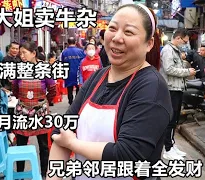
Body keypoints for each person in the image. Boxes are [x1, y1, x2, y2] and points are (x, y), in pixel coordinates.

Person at [47, 4, 173, 180]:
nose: (117, 38)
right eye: (112, 28)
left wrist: (73, 143)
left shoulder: (151, 86)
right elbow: (61, 131)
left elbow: (128, 154)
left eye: (129, 32)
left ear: (149, 43)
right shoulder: (97, 77)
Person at [12, 41, 56, 179]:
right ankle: (20, 175)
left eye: (24, 52)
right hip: (22, 112)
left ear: (34, 53)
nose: (22, 56)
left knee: (43, 144)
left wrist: (43, 101)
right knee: (21, 144)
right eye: (20, 53)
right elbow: (15, 89)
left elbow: (53, 89)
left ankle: (44, 174)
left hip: (40, 111)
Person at [160, 29, 196, 160]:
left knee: (174, 119)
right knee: (171, 118)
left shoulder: (176, 50)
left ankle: (171, 144)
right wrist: (187, 72)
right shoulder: (168, 50)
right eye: (185, 41)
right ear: (179, 38)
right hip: (171, 89)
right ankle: (167, 149)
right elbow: (168, 69)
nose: (185, 44)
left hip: (177, 88)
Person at [61, 37, 86, 105]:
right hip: (78, 73)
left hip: (69, 73)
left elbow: (62, 63)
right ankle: (77, 102)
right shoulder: (80, 51)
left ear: (68, 43)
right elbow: (84, 62)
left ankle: (71, 102)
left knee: (69, 88)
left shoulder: (64, 52)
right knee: (78, 88)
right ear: (75, 42)